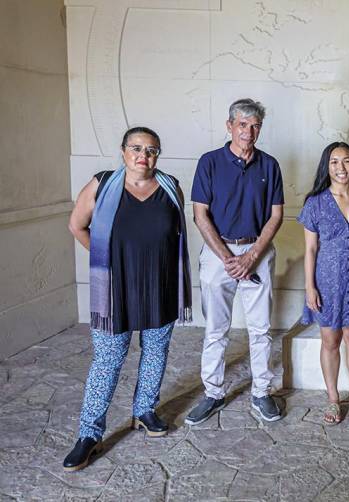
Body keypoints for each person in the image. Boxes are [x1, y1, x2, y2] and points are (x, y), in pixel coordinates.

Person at [64, 127, 191, 471]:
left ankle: (144, 411)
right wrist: (105, 261)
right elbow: (77, 225)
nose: (143, 155)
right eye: (136, 148)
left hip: (159, 288)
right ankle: (89, 434)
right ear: (122, 151)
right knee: (106, 362)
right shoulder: (102, 185)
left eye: (151, 150)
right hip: (113, 292)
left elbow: (176, 237)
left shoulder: (169, 187)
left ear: (157, 156)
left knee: (155, 352)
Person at [186, 98, 285, 425]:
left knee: (261, 330)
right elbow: (200, 216)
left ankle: (261, 392)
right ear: (230, 126)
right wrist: (230, 259)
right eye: (242, 124)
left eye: (255, 125)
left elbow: (276, 215)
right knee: (216, 329)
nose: (249, 131)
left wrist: (252, 255)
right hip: (219, 257)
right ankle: (213, 393)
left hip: (257, 251)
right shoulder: (210, 162)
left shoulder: (269, 165)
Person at [298, 142, 349, 425]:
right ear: (327, 166)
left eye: (346, 161)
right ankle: (334, 399)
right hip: (327, 279)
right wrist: (309, 287)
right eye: (334, 162)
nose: (341, 168)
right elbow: (310, 250)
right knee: (329, 339)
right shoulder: (315, 203)